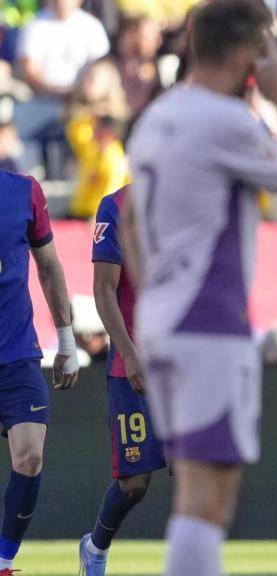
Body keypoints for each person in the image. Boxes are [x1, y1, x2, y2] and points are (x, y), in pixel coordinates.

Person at [122, 1, 277, 574]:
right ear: (248, 52)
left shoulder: (157, 118)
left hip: (163, 319)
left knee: (194, 493)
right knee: (207, 502)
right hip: (208, 323)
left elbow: (132, 227)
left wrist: (158, 298)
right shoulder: (226, 120)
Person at [78, 186, 166, 576]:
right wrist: (129, 353)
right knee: (134, 483)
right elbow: (103, 288)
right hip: (135, 361)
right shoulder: (115, 206)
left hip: (184, 362)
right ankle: (96, 548)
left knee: (199, 472)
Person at [0, 172, 79, 573]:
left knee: (29, 457)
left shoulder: (22, 190)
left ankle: (3, 561)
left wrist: (66, 341)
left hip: (16, 352)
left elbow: (48, 266)